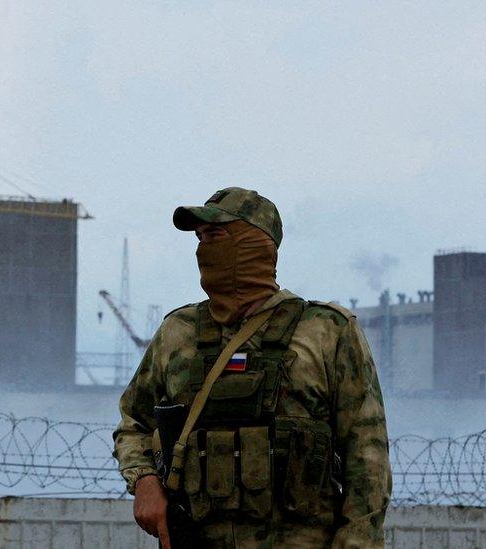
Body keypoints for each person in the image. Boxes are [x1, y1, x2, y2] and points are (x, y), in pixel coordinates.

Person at [113, 187, 391, 548]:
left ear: (253, 243)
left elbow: (366, 455)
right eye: (199, 238)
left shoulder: (326, 331)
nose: (202, 248)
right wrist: (144, 481)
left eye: (215, 235)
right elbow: (133, 422)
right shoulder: (178, 333)